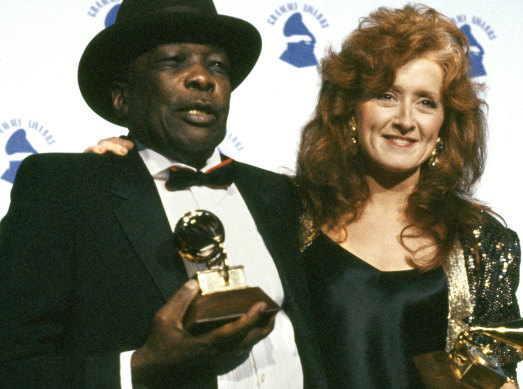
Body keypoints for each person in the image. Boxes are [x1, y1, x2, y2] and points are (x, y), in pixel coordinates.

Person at [87, 4, 523, 389]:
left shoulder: (481, 242)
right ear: (351, 111)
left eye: (426, 102)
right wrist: (129, 159)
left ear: (445, 125)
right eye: (386, 96)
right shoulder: (290, 209)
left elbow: (495, 377)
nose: (405, 120)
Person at [0, 0, 326, 388]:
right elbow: (13, 364)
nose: (203, 78)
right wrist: (140, 365)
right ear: (122, 98)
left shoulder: (278, 195)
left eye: (218, 65)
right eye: (172, 61)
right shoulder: (65, 190)